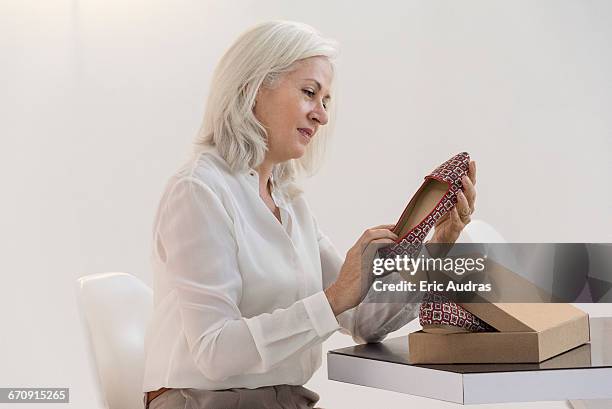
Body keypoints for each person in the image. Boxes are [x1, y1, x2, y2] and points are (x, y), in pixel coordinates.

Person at [142, 20, 477, 409]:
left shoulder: (289, 203)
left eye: (326, 100)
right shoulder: (199, 191)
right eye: (309, 93)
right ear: (252, 89)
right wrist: (334, 297)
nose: (322, 115)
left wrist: (438, 246)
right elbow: (215, 351)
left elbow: (364, 322)